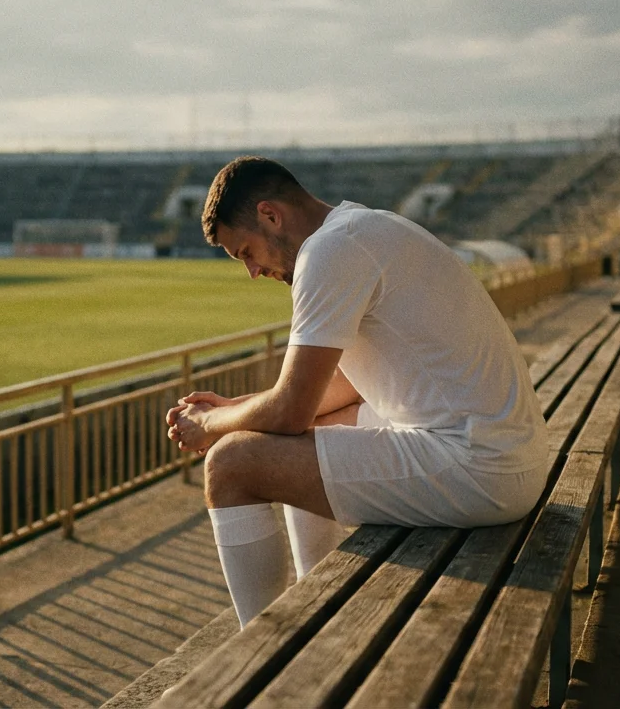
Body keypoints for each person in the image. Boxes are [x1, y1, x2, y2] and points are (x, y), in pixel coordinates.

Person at [165, 156, 549, 628]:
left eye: (246, 252)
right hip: (509, 456)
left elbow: (290, 411)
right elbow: (333, 391)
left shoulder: (329, 252)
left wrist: (211, 423)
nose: (252, 271)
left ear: (270, 215)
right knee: (313, 427)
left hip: (480, 469)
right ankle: (315, 607)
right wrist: (238, 408)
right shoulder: (364, 227)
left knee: (230, 464)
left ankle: (260, 646)